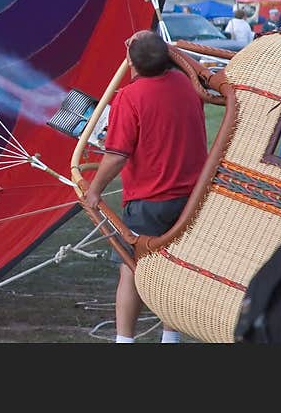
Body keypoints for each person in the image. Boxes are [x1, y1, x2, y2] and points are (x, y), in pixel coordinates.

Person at [84, 31, 207, 343]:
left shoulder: (129, 97)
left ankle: (124, 340)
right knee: (172, 270)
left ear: (130, 63)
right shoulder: (186, 84)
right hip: (192, 197)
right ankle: (170, 338)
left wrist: (94, 190)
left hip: (150, 201)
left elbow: (116, 155)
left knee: (131, 270)